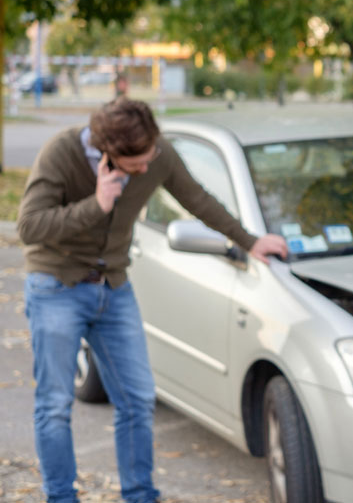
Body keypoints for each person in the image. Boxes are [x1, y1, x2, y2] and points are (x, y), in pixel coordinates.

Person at [17, 97, 288, 503]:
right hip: (56, 287)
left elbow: (197, 199)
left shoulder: (156, 153)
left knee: (138, 399)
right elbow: (29, 226)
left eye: (150, 157)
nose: (147, 169)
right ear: (108, 154)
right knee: (55, 406)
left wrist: (249, 241)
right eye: (136, 165)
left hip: (114, 288)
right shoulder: (61, 152)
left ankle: (140, 495)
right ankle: (60, 497)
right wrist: (97, 205)